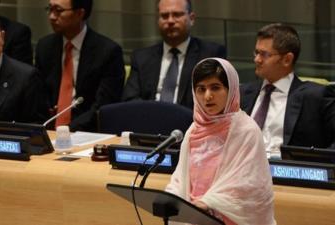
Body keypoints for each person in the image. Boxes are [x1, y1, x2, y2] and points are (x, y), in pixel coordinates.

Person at [166, 58, 276, 225]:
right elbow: (180, 177)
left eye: (215, 88)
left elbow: (250, 185)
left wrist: (209, 203)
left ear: (230, 89)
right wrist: (171, 196)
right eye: (201, 89)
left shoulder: (246, 130)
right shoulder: (193, 130)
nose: (207, 96)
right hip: (193, 217)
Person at [240, 23, 335, 153]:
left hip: (286, 170)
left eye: (264, 54)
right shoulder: (242, 93)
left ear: (287, 59)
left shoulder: (316, 97)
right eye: (256, 53)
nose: (257, 59)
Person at [35, 0, 125, 131]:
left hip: (89, 133)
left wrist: (66, 130)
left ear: (79, 13)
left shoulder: (108, 52)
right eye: (50, 9)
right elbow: (38, 97)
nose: (52, 16)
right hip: (48, 130)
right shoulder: (45, 47)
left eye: (58, 11)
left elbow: (103, 106)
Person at [122, 0, 226, 109]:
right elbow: (129, 100)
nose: (170, 20)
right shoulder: (141, 58)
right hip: (148, 121)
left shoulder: (210, 54)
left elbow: (214, 100)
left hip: (191, 122)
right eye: (164, 16)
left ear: (191, 18)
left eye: (177, 15)